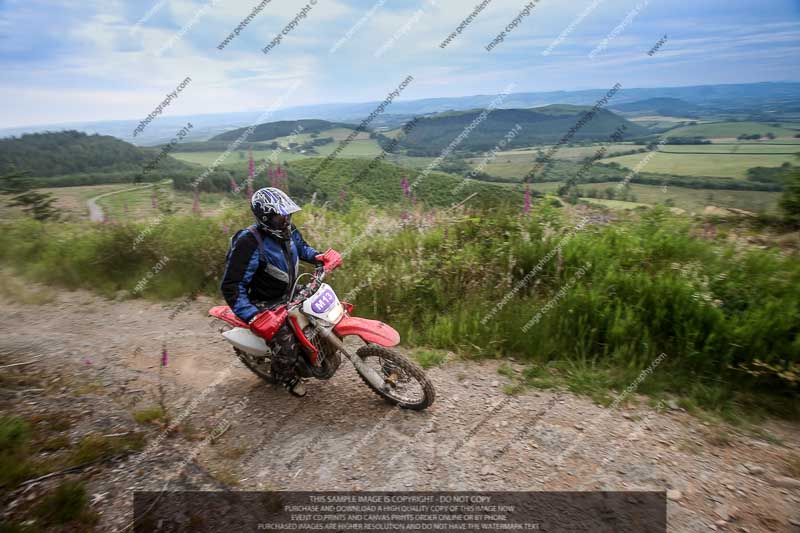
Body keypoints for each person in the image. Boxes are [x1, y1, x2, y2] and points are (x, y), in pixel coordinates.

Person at [221, 187, 342, 397]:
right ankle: (285, 377)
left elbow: (303, 248)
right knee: (287, 346)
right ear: (266, 219)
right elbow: (231, 286)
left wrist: (320, 257)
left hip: (292, 290)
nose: (286, 221)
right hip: (263, 301)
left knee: (324, 314)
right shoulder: (248, 243)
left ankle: (319, 352)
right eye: (280, 217)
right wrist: (253, 316)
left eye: (287, 215)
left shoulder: (288, 229)